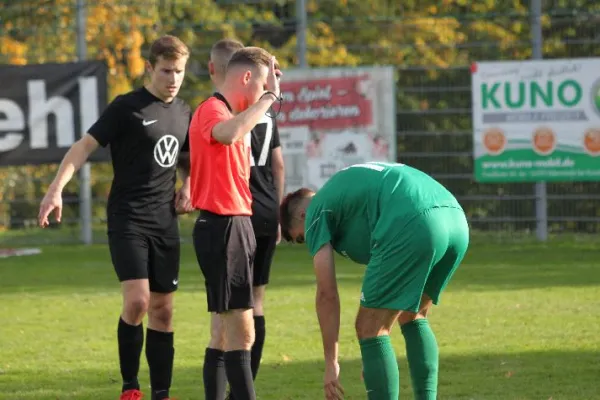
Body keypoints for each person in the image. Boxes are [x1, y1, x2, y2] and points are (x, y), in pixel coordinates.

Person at [37, 35, 193, 400]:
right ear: (149, 68)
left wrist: (188, 186)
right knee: (138, 301)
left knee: (164, 311)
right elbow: (82, 146)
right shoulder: (127, 107)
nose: (173, 79)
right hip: (128, 219)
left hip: (164, 221)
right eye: (166, 70)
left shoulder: (185, 111)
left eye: (180, 72)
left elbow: (187, 158)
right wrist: (55, 189)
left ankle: (162, 393)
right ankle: (130, 387)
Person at [279, 161, 470, 400]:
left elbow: (327, 294)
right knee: (413, 315)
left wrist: (331, 363)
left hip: (414, 222)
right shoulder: (344, 194)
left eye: (301, 238)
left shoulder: (316, 210)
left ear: (302, 215)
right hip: (455, 220)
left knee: (369, 328)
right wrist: (375, 360)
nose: (308, 243)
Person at [188, 46, 281, 400]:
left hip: (232, 226)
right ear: (245, 78)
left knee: (225, 335)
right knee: (242, 335)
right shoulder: (213, 109)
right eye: (259, 85)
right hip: (224, 227)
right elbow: (226, 134)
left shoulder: (227, 112)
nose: (263, 95)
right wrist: (268, 98)